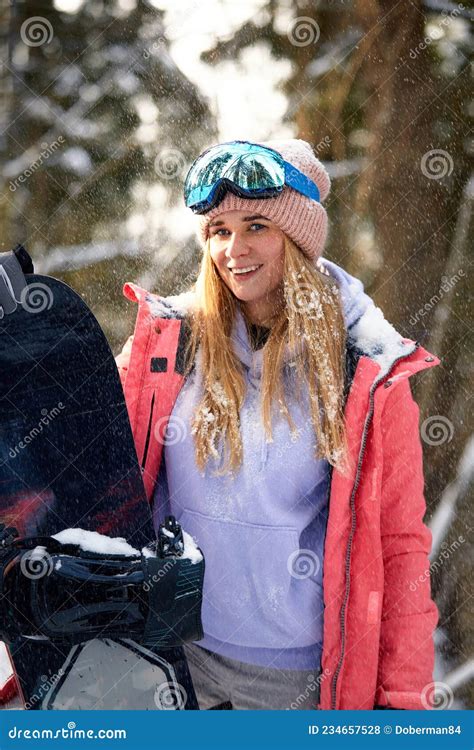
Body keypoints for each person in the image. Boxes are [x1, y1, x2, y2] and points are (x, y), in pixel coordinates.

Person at [115, 138, 441, 710]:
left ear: (297, 236)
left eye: (257, 224)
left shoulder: (366, 370)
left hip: (294, 682)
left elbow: (400, 548)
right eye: (219, 229)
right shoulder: (168, 342)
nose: (233, 249)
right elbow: (91, 453)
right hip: (171, 659)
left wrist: (402, 702)